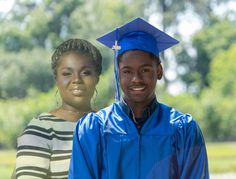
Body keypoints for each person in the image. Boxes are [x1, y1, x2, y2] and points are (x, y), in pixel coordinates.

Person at [68, 18, 209, 179]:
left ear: (159, 71)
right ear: (117, 73)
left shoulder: (184, 130)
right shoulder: (93, 130)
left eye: (145, 70)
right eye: (127, 71)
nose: (136, 79)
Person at [15, 38, 102, 179]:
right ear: (56, 79)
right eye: (67, 73)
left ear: (97, 78)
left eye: (85, 72)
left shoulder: (109, 126)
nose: (77, 80)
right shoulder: (41, 129)